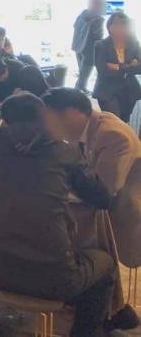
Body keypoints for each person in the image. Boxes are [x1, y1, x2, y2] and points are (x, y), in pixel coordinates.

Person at [0, 93, 115, 337]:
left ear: (4, 120)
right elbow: (101, 197)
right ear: (44, 118)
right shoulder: (64, 151)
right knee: (106, 263)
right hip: (56, 280)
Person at [43, 88, 141, 279]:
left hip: (122, 216)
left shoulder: (112, 135)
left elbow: (103, 190)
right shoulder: (86, 130)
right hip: (98, 214)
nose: (49, 127)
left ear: (71, 114)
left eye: (51, 120)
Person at [92, 11, 141, 122]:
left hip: (129, 90)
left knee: (124, 121)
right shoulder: (101, 45)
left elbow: (140, 68)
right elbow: (102, 70)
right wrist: (129, 66)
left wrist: (116, 67)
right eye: (115, 24)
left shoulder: (134, 43)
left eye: (122, 25)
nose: (119, 28)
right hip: (107, 90)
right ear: (109, 26)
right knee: (113, 121)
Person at [73, 0, 106, 93]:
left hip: (78, 47)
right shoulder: (98, 18)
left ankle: (81, 88)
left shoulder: (83, 14)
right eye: (102, 3)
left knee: (82, 73)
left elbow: (75, 27)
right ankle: (77, 92)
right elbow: (98, 36)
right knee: (84, 75)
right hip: (89, 50)